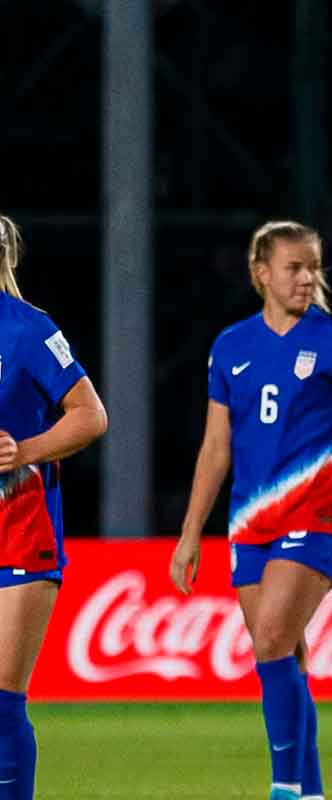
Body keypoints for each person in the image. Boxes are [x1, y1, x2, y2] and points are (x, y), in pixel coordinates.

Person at [169, 220, 332, 800]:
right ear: (260, 273)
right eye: (294, 267)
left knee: (268, 642)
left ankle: (285, 788)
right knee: (284, 656)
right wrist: (191, 533)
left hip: (313, 519)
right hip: (248, 524)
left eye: (313, 266)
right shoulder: (230, 346)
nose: (307, 278)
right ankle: (311, 792)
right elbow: (215, 448)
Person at [0, 214, 107, 799]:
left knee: (1, 698)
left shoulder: (29, 331)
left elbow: (91, 415)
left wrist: (24, 452)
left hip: (19, 528)